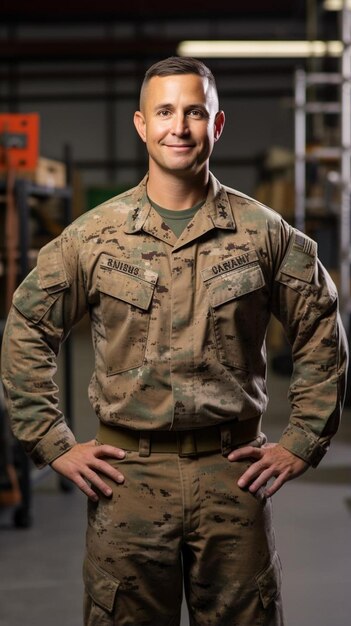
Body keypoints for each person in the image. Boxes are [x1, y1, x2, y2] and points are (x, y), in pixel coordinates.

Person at [1, 56, 348, 626]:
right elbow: (27, 328)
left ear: (217, 125)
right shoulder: (93, 236)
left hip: (233, 477)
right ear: (141, 124)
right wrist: (53, 442)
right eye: (164, 112)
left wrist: (303, 439)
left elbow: (320, 326)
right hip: (127, 483)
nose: (178, 128)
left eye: (194, 112)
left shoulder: (264, 233)